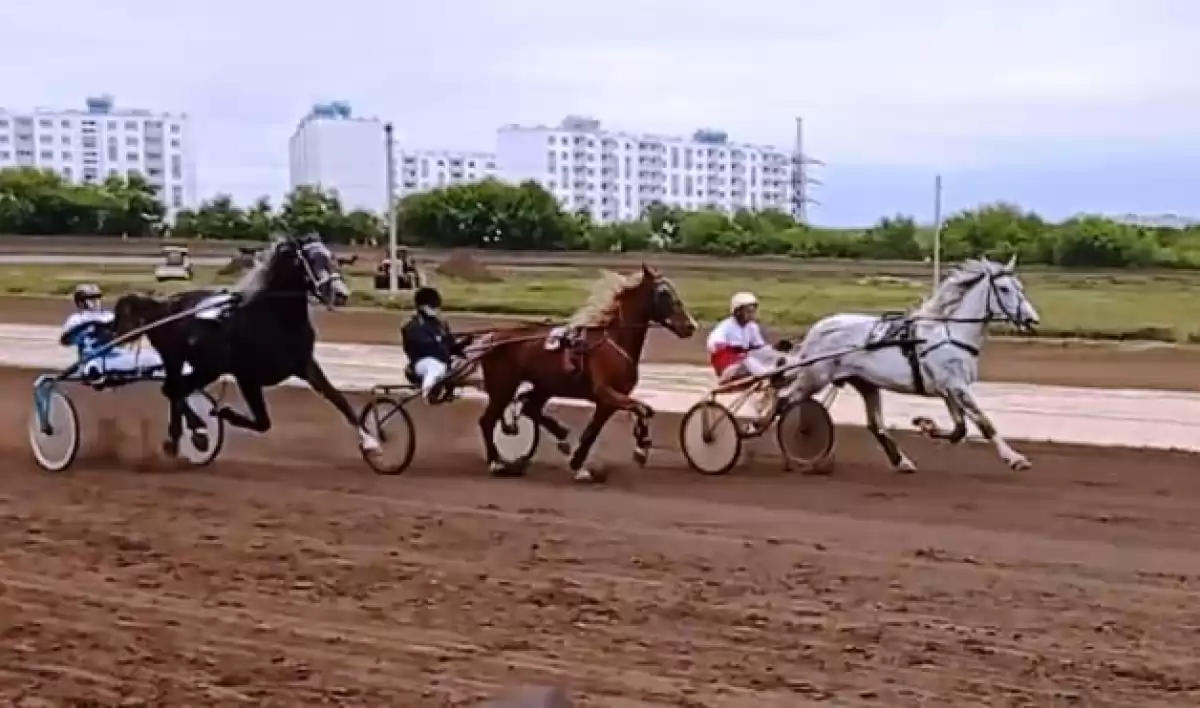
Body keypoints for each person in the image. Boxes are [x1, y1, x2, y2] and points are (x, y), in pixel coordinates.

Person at [60, 283, 162, 383]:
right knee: (94, 366)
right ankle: (94, 373)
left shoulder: (108, 316)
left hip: (116, 355)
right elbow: (66, 341)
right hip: (94, 357)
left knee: (156, 357)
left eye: (97, 298)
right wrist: (88, 329)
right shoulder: (76, 319)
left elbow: (121, 336)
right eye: (91, 298)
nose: (96, 301)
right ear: (81, 302)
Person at [706, 291, 789, 382]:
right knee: (748, 360)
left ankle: (782, 368)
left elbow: (760, 348)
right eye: (749, 311)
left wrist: (775, 347)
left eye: (753, 311)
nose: (752, 314)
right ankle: (770, 373)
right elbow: (712, 345)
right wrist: (733, 349)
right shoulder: (725, 326)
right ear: (737, 312)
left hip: (744, 363)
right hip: (728, 368)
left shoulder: (752, 327)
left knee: (771, 355)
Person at [401, 286, 465, 403]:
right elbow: (423, 347)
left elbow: (451, 346)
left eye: (436, 306)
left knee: (467, 362)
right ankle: (428, 394)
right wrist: (439, 341)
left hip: (443, 361)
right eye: (432, 306)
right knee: (434, 365)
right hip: (421, 363)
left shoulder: (440, 324)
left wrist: (463, 345)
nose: (436, 309)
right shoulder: (412, 325)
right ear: (421, 307)